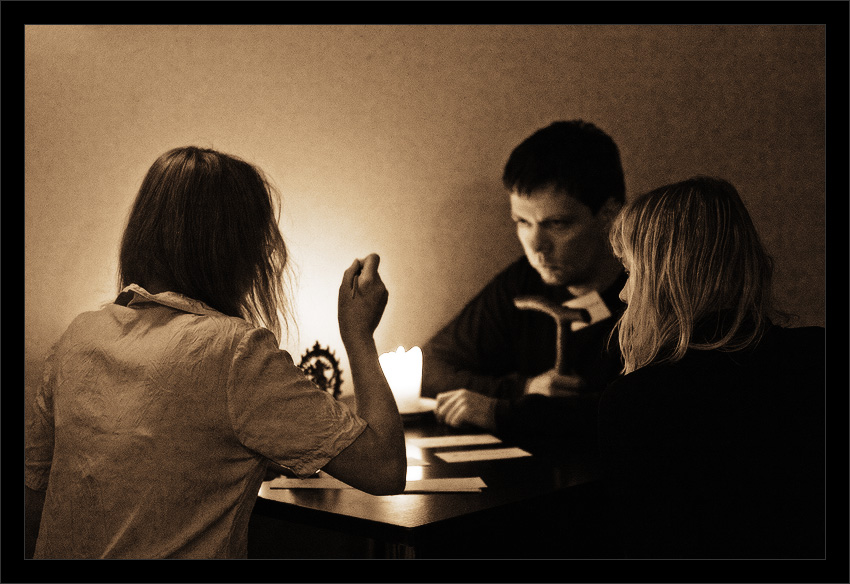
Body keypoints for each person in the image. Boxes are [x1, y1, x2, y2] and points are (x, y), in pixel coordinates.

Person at [24, 146, 406, 559]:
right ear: (238, 251)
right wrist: (358, 334)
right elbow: (385, 468)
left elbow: (35, 497)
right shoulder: (234, 352)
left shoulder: (78, 337)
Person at [599, 176, 824, 558]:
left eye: (631, 271)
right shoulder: (817, 353)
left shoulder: (639, 402)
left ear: (666, 276)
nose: (623, 293)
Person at [423, 120, 628, 454]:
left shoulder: (650, 294)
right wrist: (525, 388)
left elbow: (636, 414)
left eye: (557, 224)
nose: (536, 246)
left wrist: (503, 412)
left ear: (608, 214)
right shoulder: (523, 283)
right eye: (522, 222)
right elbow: (428, 369)